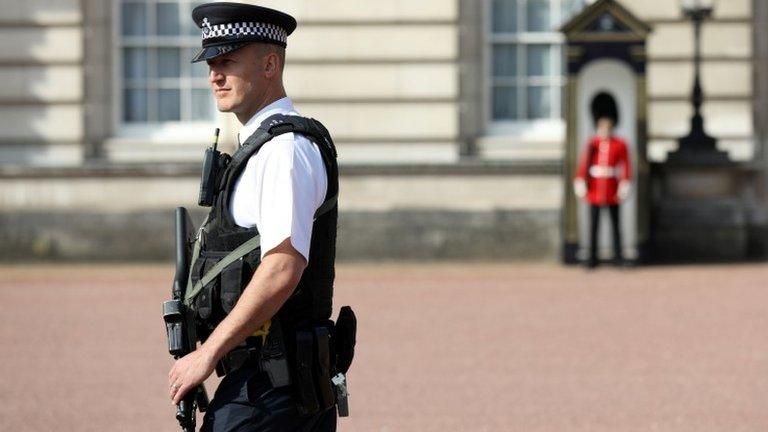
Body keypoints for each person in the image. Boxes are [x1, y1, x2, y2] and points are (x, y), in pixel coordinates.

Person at [167, 2, 343, 431]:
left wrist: (206, 356)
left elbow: (283, 266)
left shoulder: (285, 150)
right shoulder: (259, 147)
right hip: (262, 381)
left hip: (271, 387)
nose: (214, 75)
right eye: (210, 62)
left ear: (269, 63)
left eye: (227, 60)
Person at [573, 96, 632, 268]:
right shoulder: (593, 143)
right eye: (602, 125)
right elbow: (585, 163)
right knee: (594, 226)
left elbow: (625, 165)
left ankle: (618, 257)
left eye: (607, 126)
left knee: (615, 225)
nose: (605, 129)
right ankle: (592, 258)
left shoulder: (620, 144)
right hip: (595, 189)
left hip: (612, 189)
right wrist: (580, 180)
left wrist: (625, 183)